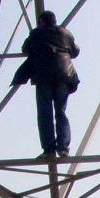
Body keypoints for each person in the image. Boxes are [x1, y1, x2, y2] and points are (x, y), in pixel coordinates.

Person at [11, 10, 80, 159]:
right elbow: (75, 51)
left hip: (44, 77)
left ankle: (49, 150)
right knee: (61, 112)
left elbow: (25, 48)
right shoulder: (65, 33)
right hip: (64, 75)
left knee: (45, 114)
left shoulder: (37, 34)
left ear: (42, 21)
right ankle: (63, 148)